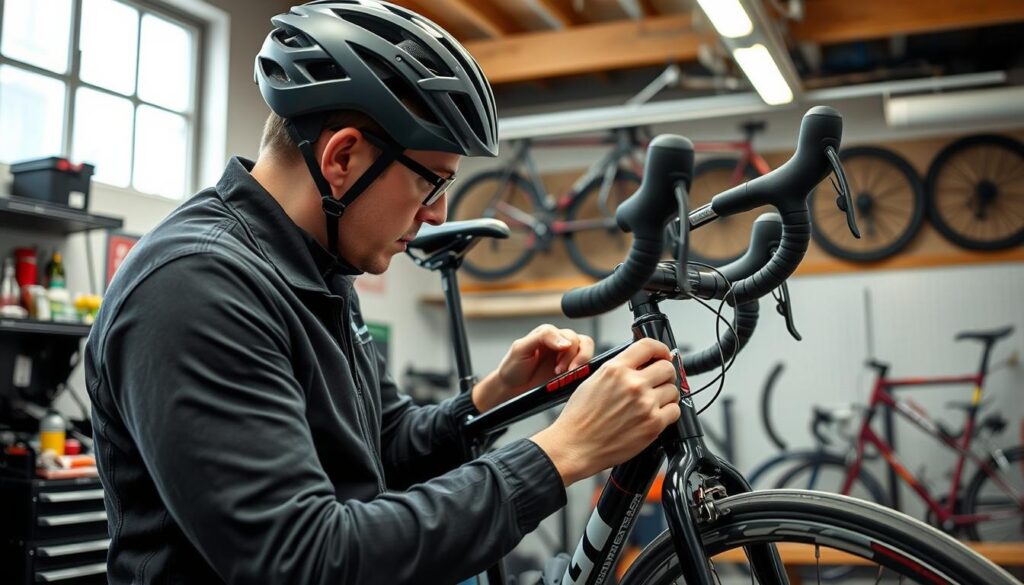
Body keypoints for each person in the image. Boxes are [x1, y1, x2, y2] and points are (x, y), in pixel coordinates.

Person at [84, 2, 681, 583]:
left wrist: (489, 401)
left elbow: (385, 444)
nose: (437, 212)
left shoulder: (317, 269)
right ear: (342, 157)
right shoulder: (196, 287)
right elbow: (304, 558)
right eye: (431, 181)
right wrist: (562, 452)